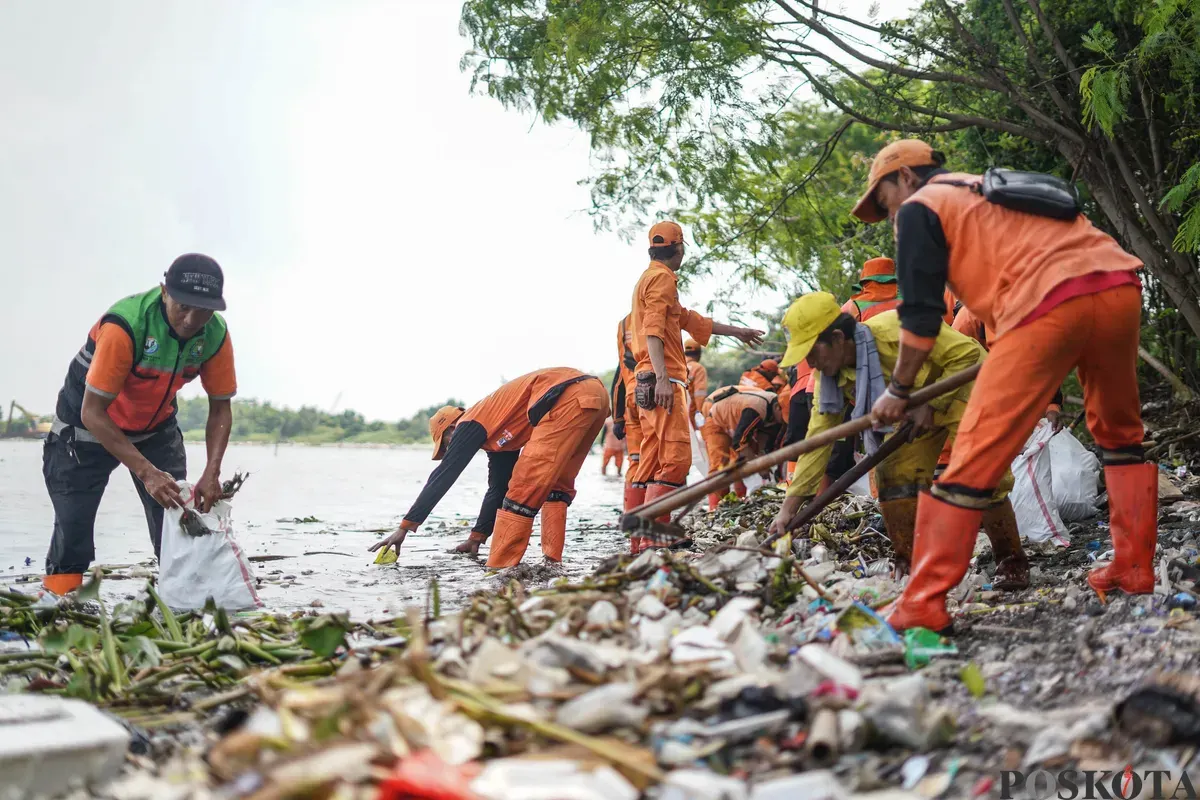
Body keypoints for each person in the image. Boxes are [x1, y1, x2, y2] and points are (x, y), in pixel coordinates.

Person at [856, 139, 1148, 632]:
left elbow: (922, 319)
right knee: (1120, 436)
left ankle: (924, 600)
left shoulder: (921, 208)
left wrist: (898, 390)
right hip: (1117, 284)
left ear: (904, 178)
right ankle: (1134, 568)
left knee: (972, 454)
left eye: (883, 201)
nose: (887, 216)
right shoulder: (988, 187)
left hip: (1045, 303)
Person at [768, 294, 1027, 588]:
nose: (811, 363)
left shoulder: (896, 329)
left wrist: (932, 404)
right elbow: (816, 443)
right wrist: (788, 509)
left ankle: (1011, 560)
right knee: (893, 477)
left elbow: (966, 355)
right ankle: (911, 563)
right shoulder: (829, 381)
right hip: (914, 414)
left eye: (813, 353)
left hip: (962, 390)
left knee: (983, 474)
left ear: (838, 338)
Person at [42, 254, 236, 595]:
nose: (192, 320)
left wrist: (212, 472)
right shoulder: (126, 326)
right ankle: (62, 603)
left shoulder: (215, 335)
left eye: (204, 310)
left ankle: (182, 602)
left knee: (176, 525)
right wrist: (147, 472)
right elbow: (92, 412)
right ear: (164, 292)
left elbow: (220, 408)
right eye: (183, 307)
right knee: (73, 530)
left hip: (155, 429)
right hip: (86, 427)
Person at [369, 368, 609, 569]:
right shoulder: (499, 428)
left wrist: (405, 527)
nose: (451, 449)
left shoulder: (469, 423)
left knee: (523, 489)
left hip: (565, 397)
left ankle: (499, 567)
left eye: (446, 444)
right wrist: (477, 538)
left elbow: (444, 475)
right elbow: (497, 489)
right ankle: (552, 562)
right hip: (595, 396)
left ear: (452, 428)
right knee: (557, 486)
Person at [628, 221, 763, 553]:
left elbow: (691, 320)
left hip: (647, 379)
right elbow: (654, 330)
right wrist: (662, 378)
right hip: (663, 381)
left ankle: (642, 540)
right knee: (675, 460)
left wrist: (737, 332)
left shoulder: (650, 279)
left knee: (652, 461)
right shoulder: (661, 278)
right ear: (679, 249)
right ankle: (655, 539)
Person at [702, 388, 784, 509]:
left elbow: (765, 437)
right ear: (777, 407)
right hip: (716, 419)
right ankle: (714, 508)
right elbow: (739, 441)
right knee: (720, 466)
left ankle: (739, 500)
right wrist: (758, 466)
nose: (784, 422)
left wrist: (762, 457)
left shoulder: (773, 409)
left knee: (739, 462)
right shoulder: (756, 408)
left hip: (735, 414)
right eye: (784, 417)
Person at [610, 315, 644, 510]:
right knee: (660, 461)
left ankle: (632, 518)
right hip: (654, 400)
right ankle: (652, 524)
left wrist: (618, 418)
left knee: (636, 461)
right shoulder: (659, 314)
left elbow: (618, 385)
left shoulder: (625, 324)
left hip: (631, 403)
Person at [684, 338, 708, 430]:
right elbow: (700, 394)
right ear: (699, 354)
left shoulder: (678, 366)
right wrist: (700, 413)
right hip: (691, 413)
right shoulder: (698, 368)